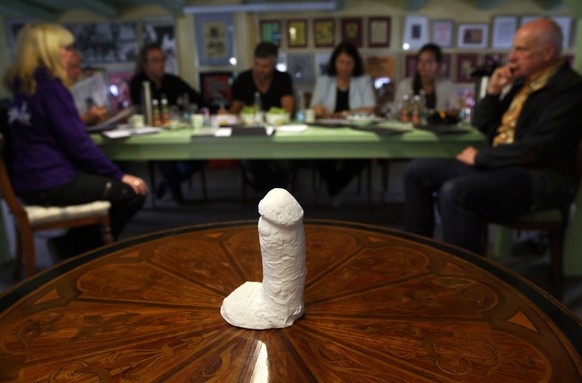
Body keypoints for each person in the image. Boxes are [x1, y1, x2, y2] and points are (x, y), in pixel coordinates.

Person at [403, 18, 582, 254]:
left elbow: (538, 148)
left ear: (548, 52)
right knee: (416, 172)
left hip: (537, 176)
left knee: (456, 192)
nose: (512, 57)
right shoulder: (524, 84)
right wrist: (494, 92)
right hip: (501, 166)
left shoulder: (568, 89)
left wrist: (481, 159)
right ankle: (419, 255)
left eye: (521, 49)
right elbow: (483, 125)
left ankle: (468, 280)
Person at [2, 22, 147, 259]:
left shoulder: (24, 86)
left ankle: (75, 247)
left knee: (108, 179)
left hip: (28, 181)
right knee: (132, 192)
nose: (73, 53)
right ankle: (79, 252)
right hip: (50, 182)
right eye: (66, 48)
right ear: (49, 50)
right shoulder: (51, 88)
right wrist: (118, 175)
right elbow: (78, 145)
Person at [130, 43, 206, 203]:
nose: (161, 64)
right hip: (152, 137)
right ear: (145, 64)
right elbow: (138, 110)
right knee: (165, 157)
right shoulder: (138, 83)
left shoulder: (172, 81)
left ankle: (168, 184)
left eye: (163, 59)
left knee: (202, 156)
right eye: (156, 60)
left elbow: (198, 98)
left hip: (178, 132)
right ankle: (175, 191)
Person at [309, 42, 376, 203]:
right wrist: (320, 110)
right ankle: (337, 186)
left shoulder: (363, 80)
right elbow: (313, 107)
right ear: (334, 62)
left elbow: (370, 109)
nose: (344, 67)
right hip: (327, 133)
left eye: (349, 63)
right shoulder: (325, 80)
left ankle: (335, 186)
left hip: (356, 134)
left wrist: (342, 114)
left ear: (355, 64)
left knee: (365, 153)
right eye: (341, 62)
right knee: (313, 153)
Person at [230, 42, 295, 190]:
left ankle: (269, 190)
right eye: (257, 65)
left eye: (266, 66)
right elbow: (234, 110)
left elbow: (288, 109)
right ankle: (275, 190)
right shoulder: (243, 79)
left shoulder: (282, 78)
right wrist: (229, 114)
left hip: (278, 137)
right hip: (250, 138)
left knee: (285, 162)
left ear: (274, 64)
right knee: (249, 161)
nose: (261, 70)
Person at [393, 43, 459, 116]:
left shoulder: (447, 86)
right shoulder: (405, 85)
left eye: (428, 61)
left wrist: (441, 115)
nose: (422, 65)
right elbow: (396, 111)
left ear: (438, 65)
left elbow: (455, 110)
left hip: (437, 126)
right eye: (420, 61)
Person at [67, 49, 109, 126]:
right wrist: (86, 119)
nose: (78, 72)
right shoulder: (53, 93)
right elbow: (64, 129)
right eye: (73, 66)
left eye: (78, 66)